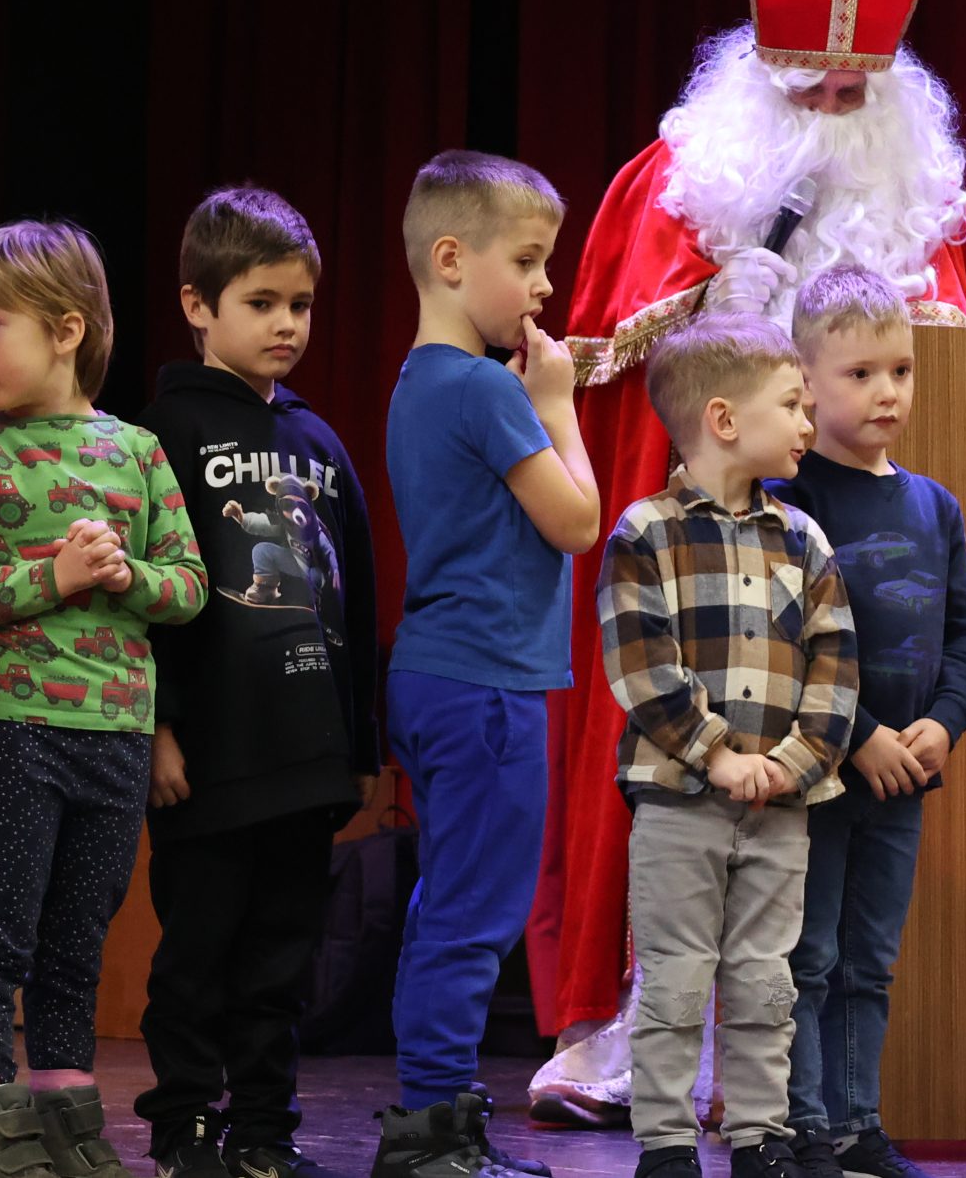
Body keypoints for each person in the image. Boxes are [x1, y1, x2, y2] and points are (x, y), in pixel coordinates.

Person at [534, 0, 966, 1140]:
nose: (836, 104)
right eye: (811, 82)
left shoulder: (933, 209)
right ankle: (643, 1044)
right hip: (716, 570)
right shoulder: (683, 181)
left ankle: (821, 1091)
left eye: (859, 87)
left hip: (866, 570)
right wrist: (710, 305)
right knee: (705, 811)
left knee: (839, 882)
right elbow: (608, 362)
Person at [0, 221, 207, 1178]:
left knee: (78, 940)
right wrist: (57, 573)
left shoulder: (138, 450)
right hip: (16, 729)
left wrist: (125, 576)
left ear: (67, 329)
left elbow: (189, 585)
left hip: (114, 734)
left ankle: (64, 1114)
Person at [134, 187, 380, 1178]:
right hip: (209, 752)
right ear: (198, 305)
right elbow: (141, 598)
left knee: (282, 957)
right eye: (262, 303)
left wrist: (358, 743)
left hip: (306, 752)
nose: (287, 324)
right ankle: (186, 1124)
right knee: (199, 950)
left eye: (301, 304)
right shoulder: (161, 431)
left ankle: (265, 1134)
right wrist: (157, 728)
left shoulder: (320, 442)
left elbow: (355, 590)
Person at [376, 152, 599, 1178]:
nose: (545, 286)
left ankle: (436, 1117)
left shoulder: (418, 382)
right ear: (452, 259)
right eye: (529, 260)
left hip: (437, 676)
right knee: (473, 914)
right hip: (487, 686)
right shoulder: (483, 389)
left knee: (449, 902)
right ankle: (432, 1135)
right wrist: (557, 405)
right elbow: (577, 520)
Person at [601, 315, 857, 1178]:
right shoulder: (645, 533)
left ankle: (759, 1136)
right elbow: (642, 665)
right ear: (723, 418)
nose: (808, 422)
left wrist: (790, 763)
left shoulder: (804, 540)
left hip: (780, 807)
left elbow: (836, 665)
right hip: (679, 802)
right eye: (792, 404)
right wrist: (715, 753)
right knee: (675, 977)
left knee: (765, 979)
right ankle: (667, 1142)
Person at [760, 267, 966, 1178]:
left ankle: (858, 1121)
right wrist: (859, 735)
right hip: (819, 773)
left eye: (900, 369)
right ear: (806, 380)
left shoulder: (935, 505)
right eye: (861, 373)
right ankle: (803, 1126)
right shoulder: (788, 499)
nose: (887, 390)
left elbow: (965, 629)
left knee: (870, 960)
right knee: (808, 956)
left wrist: (944, 723)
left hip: (904, 779)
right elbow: (784, 638)